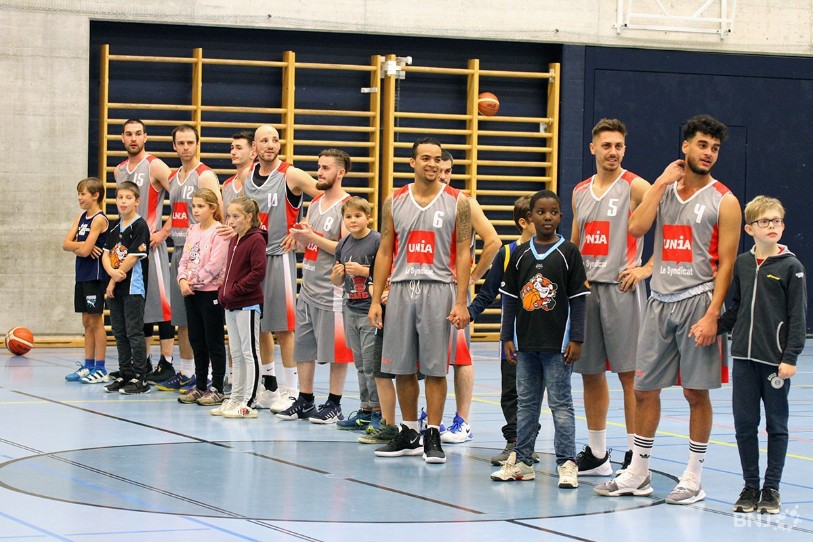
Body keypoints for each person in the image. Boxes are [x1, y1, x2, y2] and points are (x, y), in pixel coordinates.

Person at [596, 114, 742, 504]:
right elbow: (636, 229)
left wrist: (713, 314)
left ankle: (693, 477)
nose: (708, 153)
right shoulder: (664, 190)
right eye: (702, 145)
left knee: (696, 393)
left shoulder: (725, 201)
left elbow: (726, 265)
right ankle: (639, 473)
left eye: (714, 148)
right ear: (685, 146)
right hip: (660, 302)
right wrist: (660, 183)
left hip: (698, 302)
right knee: (644, 390)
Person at [369, 137, 472, 464]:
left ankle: (433, 434)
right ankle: (410, 431)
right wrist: (375, 299)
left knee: (435, 367)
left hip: (438, 287)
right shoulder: (393, 200)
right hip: (400, 288)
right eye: (425, 158)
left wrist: (461, 301)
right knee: (401, 367)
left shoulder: (458, 202)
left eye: (438, 159)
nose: (432, 164)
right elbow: (385, 250)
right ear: (412, 162)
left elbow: (466, 253)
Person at [571, 119, 652, 476]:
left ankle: (636, 454)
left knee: (629, 374)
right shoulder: (580, 191)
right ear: (593, 148)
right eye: (606, 146)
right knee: (590, 372)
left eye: (619, 146)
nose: (613, 152)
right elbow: (575, 243)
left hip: (623, 289)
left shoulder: (636, 186)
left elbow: (672, 227)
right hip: (588, 290)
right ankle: (598, 452)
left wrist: (646, 269)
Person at [491, 190, 588, 488]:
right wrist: (506, 337)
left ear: (560, 216)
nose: (548, 217)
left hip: (558, 347)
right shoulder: (519, 254)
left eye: (554, 212)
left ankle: (566, 462)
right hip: (525, 345)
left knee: (561, 405)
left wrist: (577, 338)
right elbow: (508, 301)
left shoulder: (569, 252)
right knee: (527, 405)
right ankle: (522, 461)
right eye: (541, 212)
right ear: (530, 217)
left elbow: (579, 299)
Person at [719, 196, 806, 515]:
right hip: (743, 358)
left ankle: (771, 488)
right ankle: (750, 485)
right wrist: (711, 327)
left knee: (777, 425)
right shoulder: (743, 262)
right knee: (744, 425)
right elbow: (737, 307)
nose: (772, 227)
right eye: (765, 222)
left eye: (777, 221)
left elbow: (798, 317)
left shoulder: (791, 266)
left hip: (775, 362)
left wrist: (791, 356)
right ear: (749, 228)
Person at [242, 124, 320, 409]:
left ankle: (292, 389)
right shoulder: (246, 177)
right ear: (255, 147)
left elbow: (323, 196)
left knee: (285, 327)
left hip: (278, 257)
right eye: (264, 140)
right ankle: (269, 385)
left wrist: (303, 227)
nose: (271, 144)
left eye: (275, 139)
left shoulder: (291, 174)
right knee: (259, 325)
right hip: (252, 258)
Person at [277, 149, 354, 423]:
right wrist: (298, 237)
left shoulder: (347, 206)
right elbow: (311, 243)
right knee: (304, 347)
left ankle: (334, 404)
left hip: (331, 290)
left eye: (325, 168)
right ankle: (306, 400)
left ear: (340, 172)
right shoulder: (315, 202)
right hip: (307, 286)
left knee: (337, 351)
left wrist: (312, 236)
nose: (319, 173)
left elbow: (345, 248)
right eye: (318, 167)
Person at [466, 196, 536, 464]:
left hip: (547, 339)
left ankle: (529, 444)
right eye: (538, 214)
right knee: (511, 393)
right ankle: (515, 442)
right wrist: (469, 313)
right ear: (524, 222)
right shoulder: (507, 254)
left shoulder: (560, 250)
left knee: (542, 395)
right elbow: (488, 292)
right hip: (514, 339)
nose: (546, 219)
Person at [437, 150, 500, 444]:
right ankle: (427, 417)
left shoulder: (464, 203)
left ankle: (463, 421)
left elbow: (494, 241)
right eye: (439, 168)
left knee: (460, 358)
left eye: (448, 170)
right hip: (420, 288)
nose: (442, 175)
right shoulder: (413, 201)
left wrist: (473, 277)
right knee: (423, 356)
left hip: (453, 291)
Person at [158, 124, 221, 392]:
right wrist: (165, 231)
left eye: (189, 142)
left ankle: (204, 375)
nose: (185, 147)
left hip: (203, 250)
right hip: (180, 248)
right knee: (182, 318)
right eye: (180, 143)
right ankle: (186, 373)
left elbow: (220, 212)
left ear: (197, 144)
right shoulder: (174, 177)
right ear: (174, 146)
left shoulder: (205, 176)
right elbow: (177, 213)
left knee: (204, 320)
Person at [114, 119, 176, 385]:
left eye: (138, 134)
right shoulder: (119, 170)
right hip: (127, 248)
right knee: (139, 305)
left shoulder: (155, 165)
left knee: (161, 305)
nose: (133, 138)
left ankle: (168, 361)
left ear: (145, 137)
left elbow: (182, 197)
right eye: (129, 134)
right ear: (122, 138)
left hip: (152, 245)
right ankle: (144, 362)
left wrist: (164, 231)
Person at [212, 197, 268, 418]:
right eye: (229, 216)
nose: (231, 221)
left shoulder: (256, 240)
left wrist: (235, 290)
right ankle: (235, 398)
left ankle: (250, 401)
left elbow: (258, 272)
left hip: (248, 304)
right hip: (231, 305)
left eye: (236, 216)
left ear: (249, 217)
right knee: (236, 352)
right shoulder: (235, 240)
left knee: (249, 353)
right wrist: (224, 293)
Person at [331, 196, 382, 430]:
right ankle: (365, 409)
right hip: (350, 308)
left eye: (358, 216)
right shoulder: (343, 244)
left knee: (372, 365)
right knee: (360, 364)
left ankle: (379, 412)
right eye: (348, 217)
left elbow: (386, 271)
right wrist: (337, 275)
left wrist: (364, 270)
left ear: (368, 217)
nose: (352, 220)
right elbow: (336, 279)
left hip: (370, 311)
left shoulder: (377, 241)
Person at [176, 188, 229, 406]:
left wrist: (193, 281)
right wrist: (182, 280)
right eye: (194, 206)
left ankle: (217, 387)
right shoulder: (192, 230)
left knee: (213, 339)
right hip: (191, 292)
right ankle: (199, 385)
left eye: (201, 206)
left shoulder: (219, 233)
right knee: (196, 339)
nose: (196, 210)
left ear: (213, 208)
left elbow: (215, 265)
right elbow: (184, 259)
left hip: (210, 292)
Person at [101, 181, 151, 395]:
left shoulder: (140, 226)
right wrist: (110, 273)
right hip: (116, 288)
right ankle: (125, 373)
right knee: (119, 332)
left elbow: (132, 257)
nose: (123, 201)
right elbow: (105, 254)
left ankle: (140, 377)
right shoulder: (114, 226)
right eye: (120, 197)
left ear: (137, 201)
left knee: (133, 332)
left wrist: (113, 279)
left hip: (132, 287)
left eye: (128, 198)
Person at [62, 177, 109, 383]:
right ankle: (88, 365)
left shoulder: (99, 219)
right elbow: (66, 243)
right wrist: (79, 246)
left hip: (95, 276)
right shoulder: (81, 217)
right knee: (86, 321)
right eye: (79, 194)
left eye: (83, 194)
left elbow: (87, 250)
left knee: (96, 320)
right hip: (82, 275)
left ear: (95, 195)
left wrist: (79, 247)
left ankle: (100, 367)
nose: (80, 198)